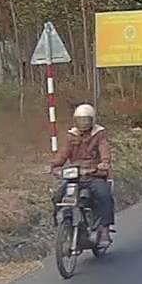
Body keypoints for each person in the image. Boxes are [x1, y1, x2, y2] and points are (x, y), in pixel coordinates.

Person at [51, 103, 114, 244]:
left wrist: (104, 162)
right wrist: (55, 166)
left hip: (94, 174)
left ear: (92, 120)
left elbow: (104, 149)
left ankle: (104, 229)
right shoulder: (71, 135)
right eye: (80, 120)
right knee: (58, 197)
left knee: (104, 195)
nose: (83, 123)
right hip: (76, 176)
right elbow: (63, 153)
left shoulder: (99, 134)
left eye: (86, 120)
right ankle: (60, 225)